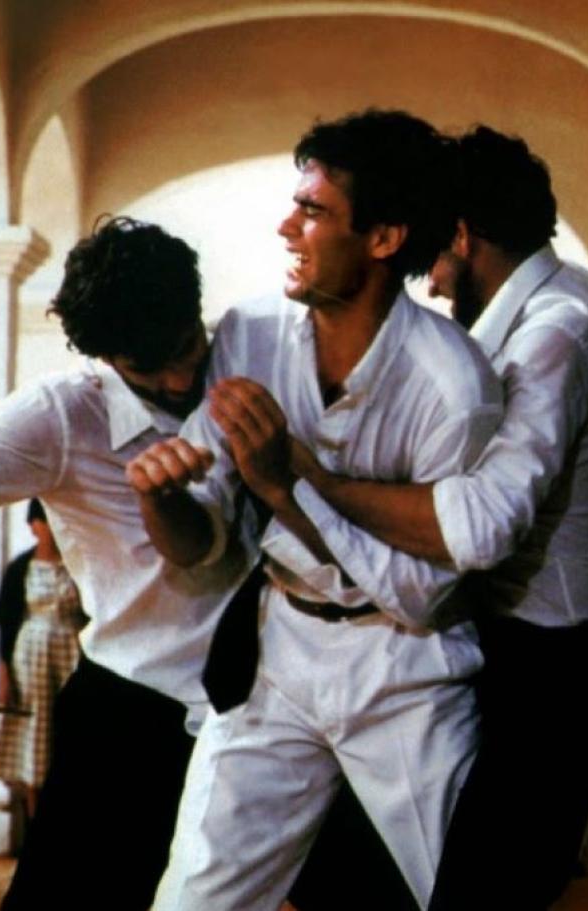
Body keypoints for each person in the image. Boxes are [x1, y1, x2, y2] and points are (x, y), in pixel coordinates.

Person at [0, 216, 410, 911]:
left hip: (286, 700)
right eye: (149, 367)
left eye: (186, 347)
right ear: (105, 356)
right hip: (133, 720)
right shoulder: (60, 417)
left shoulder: (253, 357)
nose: (180, 378)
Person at [128, 109, 504, 911]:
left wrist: (285, 488)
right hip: (281, 652)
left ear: (384, 238)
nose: (285, 226)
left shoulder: (454, 387)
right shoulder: (251, 334)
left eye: (312, 210)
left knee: (465, 894)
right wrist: (159, 498)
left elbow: (422, 594)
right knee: (194, 898)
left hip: (408, 669)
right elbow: (199, 543)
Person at [288, 125, 588, 909]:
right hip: (520, 661)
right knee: (333, 863)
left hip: (559, 678)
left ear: (462, 233)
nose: (427, 278)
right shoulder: (568, 307)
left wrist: (315, 480)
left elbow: (481, 527)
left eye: (433, 245)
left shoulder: (555, 333)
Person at [0, 498, 87, 821]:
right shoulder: (21, 568)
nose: (51, 529)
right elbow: (6, 625)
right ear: (34, 526)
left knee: (73, 728)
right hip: (33, 658)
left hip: (73, 652)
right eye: (45, 521)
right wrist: (4, 677)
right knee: (36, 733)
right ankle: (35, 820)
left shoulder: (80, 565)